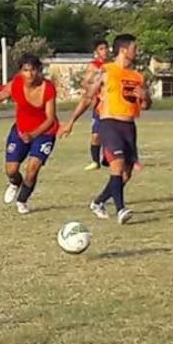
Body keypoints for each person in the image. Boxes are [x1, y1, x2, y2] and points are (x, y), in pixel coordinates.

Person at [60, 34, 150, 225]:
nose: (137, 51)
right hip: (109, 124)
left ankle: (98, 202)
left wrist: (145, 96)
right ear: (124, 50)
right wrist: (71, 122)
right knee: (117, 165)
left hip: (129, 127)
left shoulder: (137, 76)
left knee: (126, 174)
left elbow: (145, 105)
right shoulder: (105, 71)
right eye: (135, 47)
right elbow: (87, 98)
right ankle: (121, 210)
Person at [0, 54, 59, 215]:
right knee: (11, 170)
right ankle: (15, 183)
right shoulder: (16, 84)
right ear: (21, 72)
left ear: (40, 71)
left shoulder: (47, 88)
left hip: (44, 133)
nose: (30, 74)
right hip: (20, 131)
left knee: (32, 168)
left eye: (34, 70)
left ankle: (22, 201)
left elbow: (50, 119)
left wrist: (34, 135)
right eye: (26, 70)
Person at [83, 39, 110, 171]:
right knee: (96, 135)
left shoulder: (112, 65)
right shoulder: (93, 66)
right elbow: (85, 83)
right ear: (96, 52)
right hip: (99, 105)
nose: (105, 51)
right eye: (101, 48)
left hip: (111, 104)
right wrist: (95, 81)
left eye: (106, 48)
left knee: (111, 133)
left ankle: (107, 157)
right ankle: (95, 161)